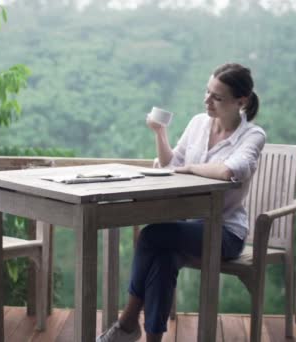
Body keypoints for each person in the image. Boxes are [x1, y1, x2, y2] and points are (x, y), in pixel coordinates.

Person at [97, 63, 266, 342]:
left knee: (151, 234)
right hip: (190, 225)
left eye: (216, 97)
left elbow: (229, 170)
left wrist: (190, 169)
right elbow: (170, 164)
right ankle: (150, 338)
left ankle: (126, 324)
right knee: (163, 258)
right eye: (207, 92)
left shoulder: (252, 136)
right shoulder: (198, 123)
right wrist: (160, 133)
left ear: (242, 100)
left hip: (225, 232)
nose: (207, 101)